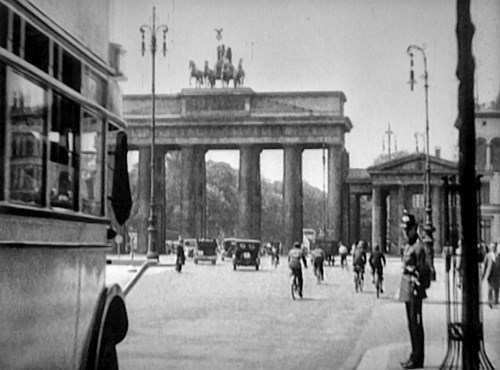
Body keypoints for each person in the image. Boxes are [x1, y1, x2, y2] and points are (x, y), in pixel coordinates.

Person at [399, 211, 431, 369]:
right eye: (404, 228)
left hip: (414, 289)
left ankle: (418, 357)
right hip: (407, 288)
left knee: (415, 323)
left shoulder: (418, 246)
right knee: (411, 323)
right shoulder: (409, 245)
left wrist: (419, 285)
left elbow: (425, 270)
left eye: (408, 228)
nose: (405, 230)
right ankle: (414, 354)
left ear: (415, 228)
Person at [482, 242, 500, 308]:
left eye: (494, 247)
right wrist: (483, 275)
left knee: (497, 288)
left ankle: (496, 301)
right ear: (490, 248)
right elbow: (485, 265)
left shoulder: (498, 255)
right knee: (490, 289)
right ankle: (490, 301)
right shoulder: (487, 255)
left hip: (497, 274)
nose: (493, 248)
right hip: (490, 274)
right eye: (492, 247)